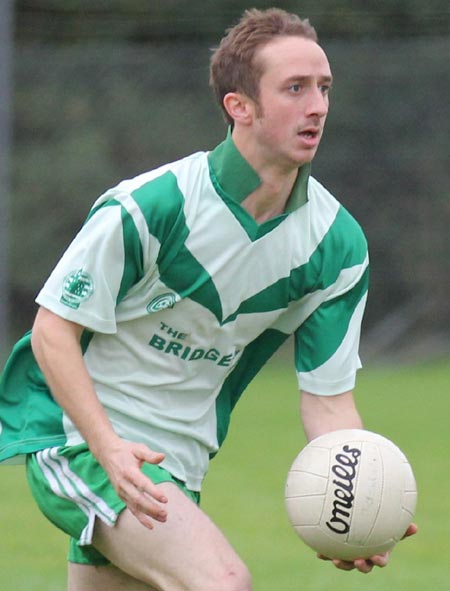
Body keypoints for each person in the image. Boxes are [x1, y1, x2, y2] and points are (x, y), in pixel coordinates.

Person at [0, 7, 416, 591]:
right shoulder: (152, 206)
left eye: (323, 87)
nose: (318, 105)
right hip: (77, 439)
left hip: (176, 466)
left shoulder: (336, 246)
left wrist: (354, 504)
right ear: (239, 106)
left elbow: (329, 404)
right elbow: (52, 331)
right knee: (223, 582)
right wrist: (109, 448)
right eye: (294, 88)